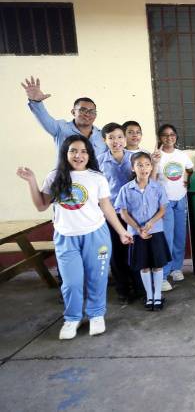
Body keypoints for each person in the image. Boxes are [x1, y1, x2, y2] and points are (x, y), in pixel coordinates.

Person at [16, 135, 133, 340]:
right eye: (73, 151)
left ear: (89, 154)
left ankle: (97, 315)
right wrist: (32, 181)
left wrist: (122, 231)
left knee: (97, 279)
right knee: (71, 282)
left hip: (96, 235)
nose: (78, 155)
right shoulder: (55, 176)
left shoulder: (97, 177)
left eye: (83, 151)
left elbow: (106, 207)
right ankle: (72, 318)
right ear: (65, 153)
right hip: (66, 237)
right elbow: (41, 205)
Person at [116, 152, 171, 311]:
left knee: (157, 265)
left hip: (156, 231)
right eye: (139, 165)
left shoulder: (157, 187)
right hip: (136, 234)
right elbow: (123, 212)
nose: (144, 168)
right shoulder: (126, 189)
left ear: (151, 166)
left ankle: (158, 295)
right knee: (144, 266)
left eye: (147, 164)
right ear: (133, 168)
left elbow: (162, 209)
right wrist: (138, 228)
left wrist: (150, 223)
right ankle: (149, 296)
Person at [97, 123, 139, 304]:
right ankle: (123, 289)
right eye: (111, 138)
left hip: (134, 214)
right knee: (117, 253)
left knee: (136, 251)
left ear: (125, 138)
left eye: (120, 137)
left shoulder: (134, 158)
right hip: (112, 215)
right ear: (104, 140)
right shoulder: (99, 161)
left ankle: (139, 286)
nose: (116, 141)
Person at [21, 76, 107, 160]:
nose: (87, 114)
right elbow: (44, 118)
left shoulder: (103, 136)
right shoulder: (61, 128)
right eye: (83, 110)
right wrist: (36, 102)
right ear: (73, 112)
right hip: (65, 174)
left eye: (92, 111)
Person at [152, 124, 194, 291]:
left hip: (181, 199)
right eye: (165, 135)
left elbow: (190, 169)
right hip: (165, 202)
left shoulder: (181, 155)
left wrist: (187, 179)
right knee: (166, 238)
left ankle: (177, 268)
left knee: (180, 235)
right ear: (160, 137)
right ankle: (163, 274)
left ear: (176, 137)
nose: (169, 138)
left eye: (172, 135)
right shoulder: (156, 155)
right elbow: (152, 179)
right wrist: (154, 162)